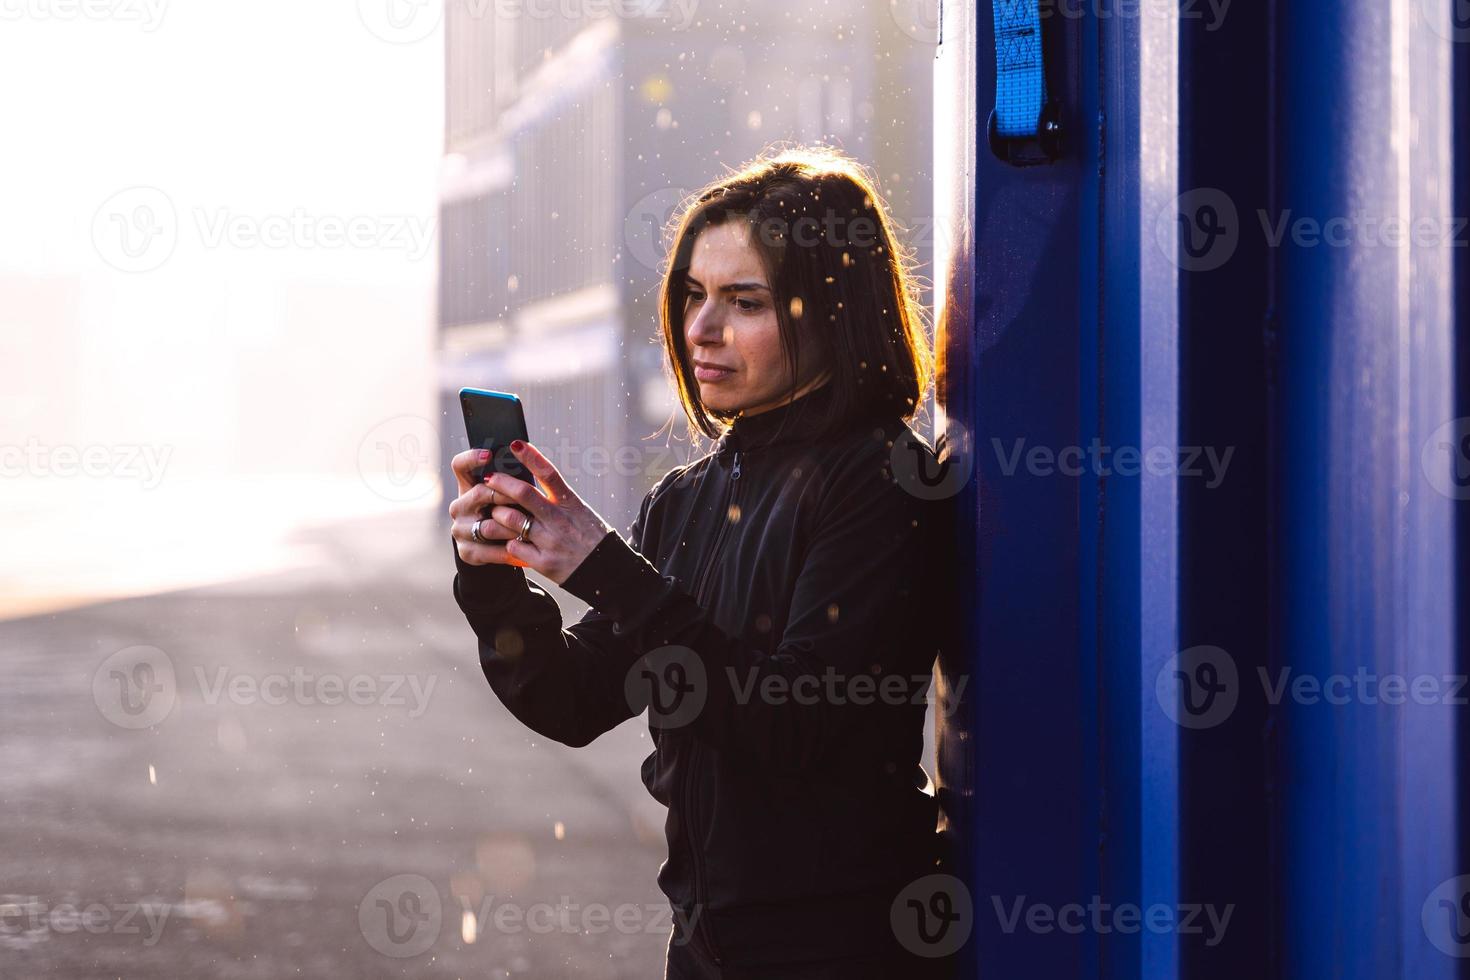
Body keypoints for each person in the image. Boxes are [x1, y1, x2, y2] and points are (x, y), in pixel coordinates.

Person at [448, 145, 960, 977]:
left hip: (846, 947)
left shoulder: (881, 484)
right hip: (706, 946)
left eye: (743, 301)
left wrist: (605, 568)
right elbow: (572, 700)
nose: (700, 330)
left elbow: (797, 723)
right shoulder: (685, 498)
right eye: (692, 296)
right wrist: (494, 575)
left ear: (833, 311)